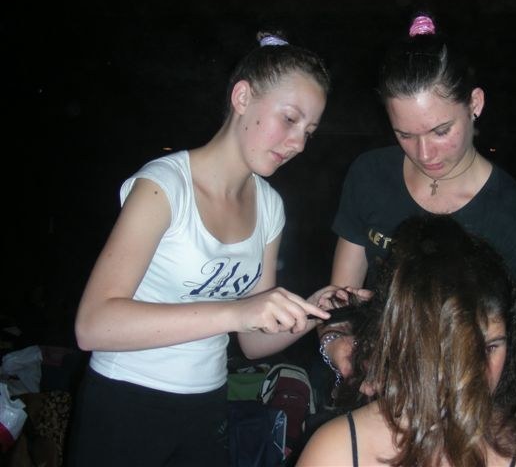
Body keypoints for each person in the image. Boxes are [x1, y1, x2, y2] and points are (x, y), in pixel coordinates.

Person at [67, 30, 335, 467]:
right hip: (126, 402)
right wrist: (236, 312)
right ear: (242, 97)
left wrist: (315, 309)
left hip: (208, 403)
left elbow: (253, 340)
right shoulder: (164, 187)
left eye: (309, 131)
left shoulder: (269, 206)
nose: (299, 143)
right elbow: (93, 325)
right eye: (290, 119)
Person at [317, 11, 516, 385]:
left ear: (475, 104)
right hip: (377, 382)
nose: (424, 154)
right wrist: (336, 344)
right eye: (405, 135)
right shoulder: (369, 175)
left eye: (441, 131)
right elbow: (340, 303)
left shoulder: (511, 214)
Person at [298, 215, 516, 467]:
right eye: (449, 347)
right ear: (402, 342)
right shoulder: (337, 453)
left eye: (490, 347)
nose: (472, 371)